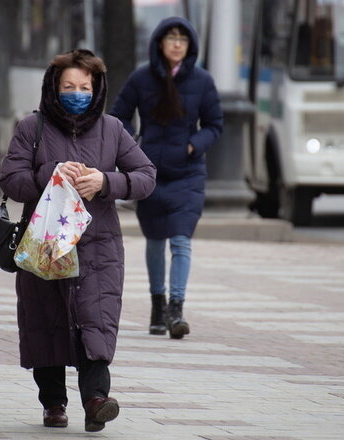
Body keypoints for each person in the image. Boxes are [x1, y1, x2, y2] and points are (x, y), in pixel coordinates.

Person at [0, 49, 156, 432]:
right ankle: (53, 403)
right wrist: (49, 174)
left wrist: (107, 181)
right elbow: (10, 180)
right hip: (46, 245)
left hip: (97, 247)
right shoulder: (30, 128)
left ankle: (96, 401)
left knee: (95, 320)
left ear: (97, 89)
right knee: (47, 320)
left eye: (84, 86)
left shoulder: (112, 129)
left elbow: (146, 176)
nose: (76, 92)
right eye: (69, 86)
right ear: (54, 87)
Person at [111, 17, 223, 339]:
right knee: (155, 239)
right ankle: (157, 306)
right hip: (150, 173)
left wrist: (193, 145)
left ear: (190, 46)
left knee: (181, 240)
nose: (177, 44)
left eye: (183, 39)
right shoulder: (141, 78)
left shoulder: (202, 81)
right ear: (159, 43)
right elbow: (119, 116)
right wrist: (133, 146)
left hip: (188, 174)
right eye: (171, 38)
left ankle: (176, 309)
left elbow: (215, 124)